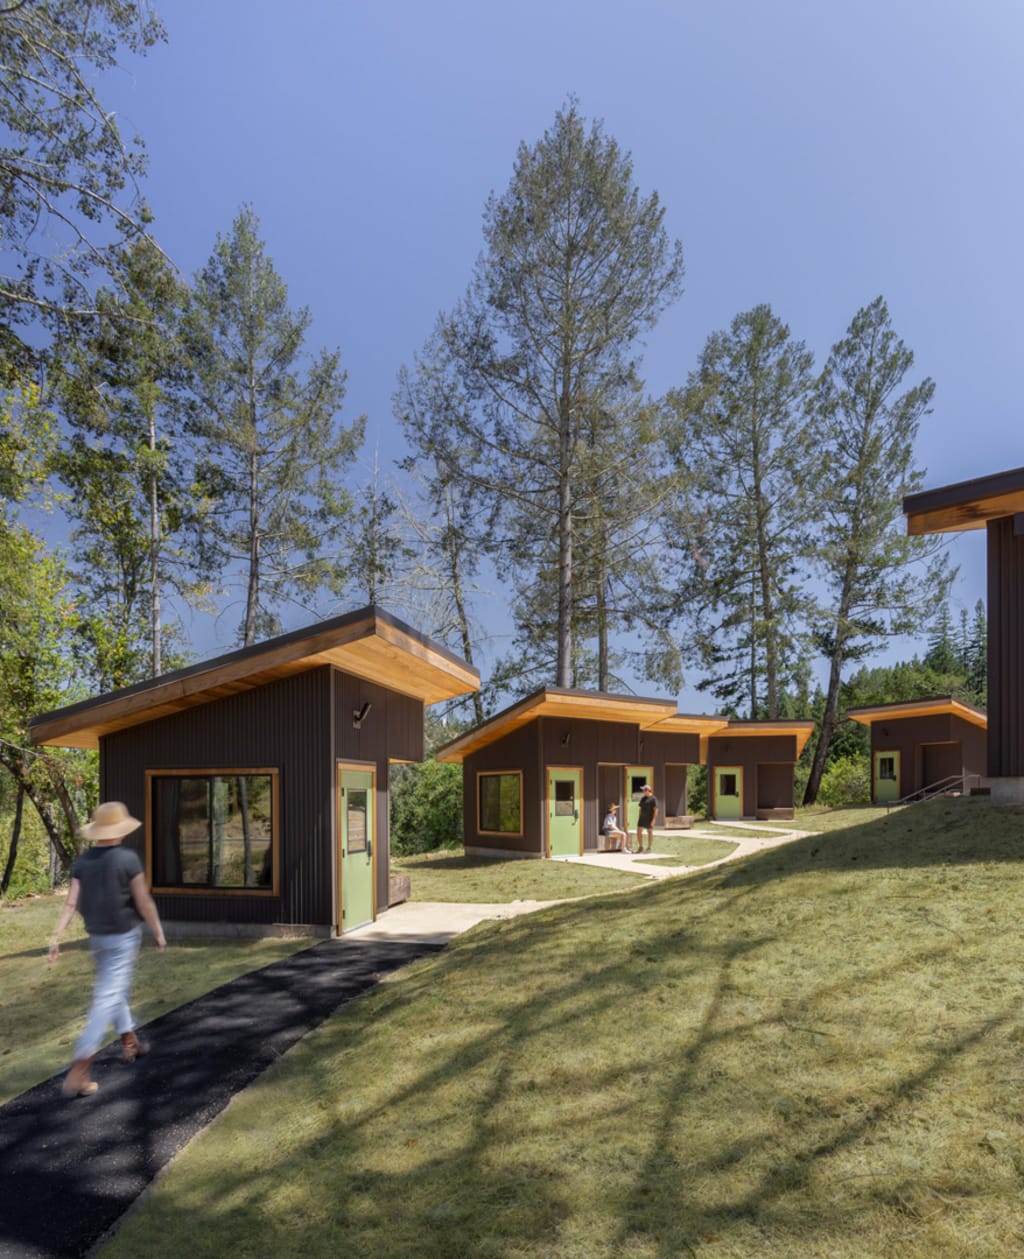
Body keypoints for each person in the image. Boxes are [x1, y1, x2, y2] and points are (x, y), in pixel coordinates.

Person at [48, 801, 166, 1098]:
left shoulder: (83, 861)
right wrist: (158, 930)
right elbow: (143, 901)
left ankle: (131, 1041)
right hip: (123, 937)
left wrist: (56, 935)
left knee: (112, 990)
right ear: (120, 830)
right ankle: (80, 1067)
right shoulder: (127, 859)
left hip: (97, 938)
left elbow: (72, 902)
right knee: (108, 996)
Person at [634, 784, 659, 854]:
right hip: (642, 818)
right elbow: (641, 808)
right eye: (643, 790)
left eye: (644, 790)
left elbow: (656, 810)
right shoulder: (643, 798)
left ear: (648, 790)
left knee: (650, 832)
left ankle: (649, 848)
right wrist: (639, 816)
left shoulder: (653, 799)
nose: (643, 791)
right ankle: (641, 847)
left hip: (649, 818)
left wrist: (653, 819)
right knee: (639, 832)